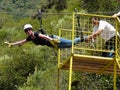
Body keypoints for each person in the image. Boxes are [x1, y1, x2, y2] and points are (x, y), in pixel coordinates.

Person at [5, 24, 87, 49]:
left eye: (29, 29)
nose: (28, 31)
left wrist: (52, 39)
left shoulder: (36, 34)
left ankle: (83, 38)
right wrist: (12, 44)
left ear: (32, 29)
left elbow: (44, 37)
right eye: (26, 30)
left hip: (54, 39)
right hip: (52, 44)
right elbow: (22, 42)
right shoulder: (30, 38)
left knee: (70, 42)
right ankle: (80, 39)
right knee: (70, 45)